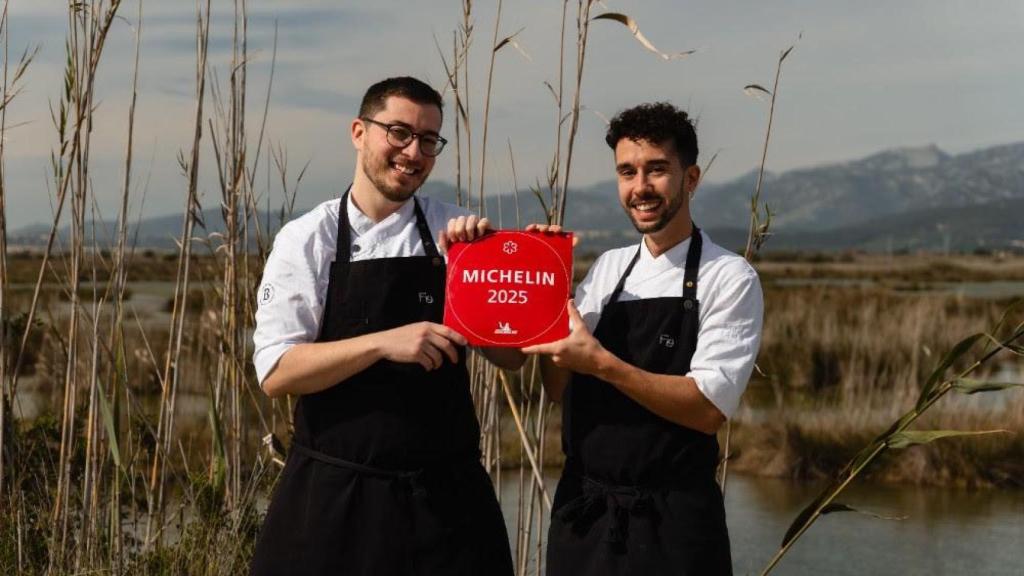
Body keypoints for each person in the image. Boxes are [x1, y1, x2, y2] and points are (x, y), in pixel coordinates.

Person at [249, 76, 520, 576]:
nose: (413, 152)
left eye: (428, 140)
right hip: (334, 501)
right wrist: (382, 343)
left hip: (446, 505)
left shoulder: (457, 233)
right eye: (399, 132)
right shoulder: (307, 240)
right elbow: (277, 372)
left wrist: (502, 269)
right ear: (359, 132)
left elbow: (511, 358)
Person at [524, 102, 763, 575]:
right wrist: (547, 288)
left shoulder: (729, 276)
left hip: (673, 526)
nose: (640, 187)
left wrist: (602, 364)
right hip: (583, 517)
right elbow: (557, 389)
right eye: (627, 172)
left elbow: (707, 409)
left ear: (690, 178)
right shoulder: (606, 269)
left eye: (657, 170)